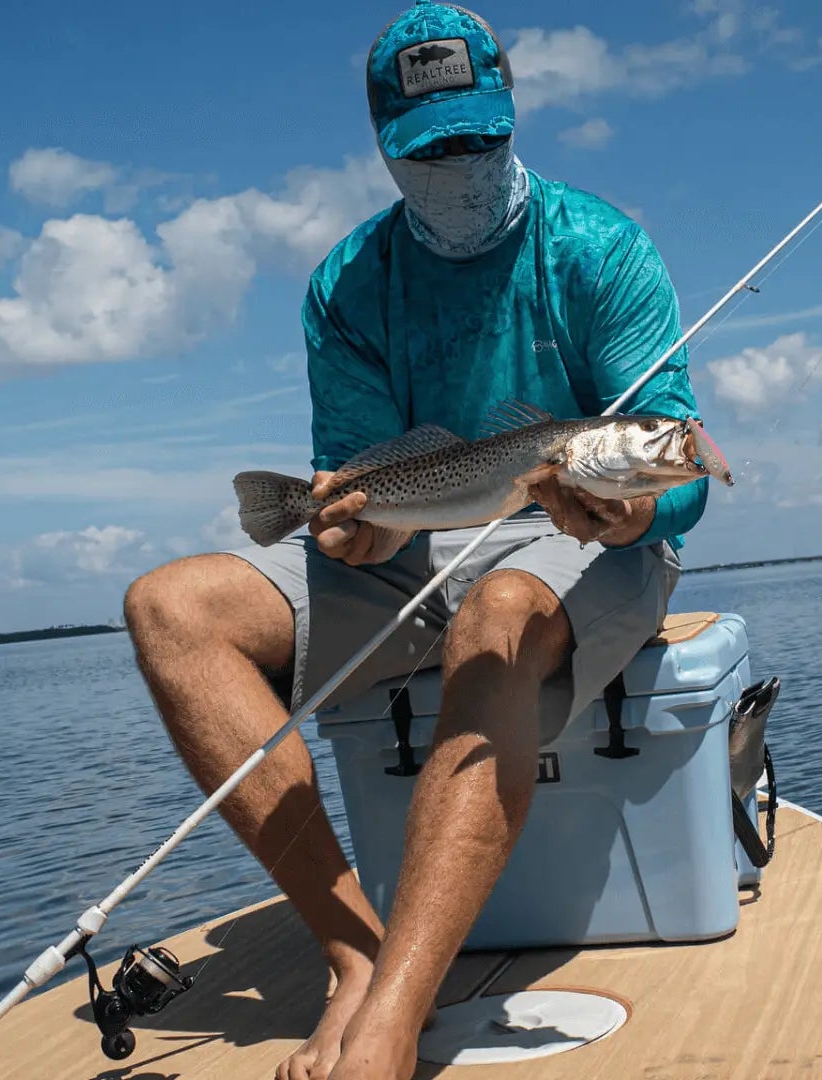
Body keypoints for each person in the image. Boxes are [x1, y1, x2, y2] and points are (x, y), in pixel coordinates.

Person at [121, 3, 711, 1078]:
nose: (460, 163)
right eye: (430, 146)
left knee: (498, 612)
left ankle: (397, 1011)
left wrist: (636, 505)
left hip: (584, 547)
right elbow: (358, 477)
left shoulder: (602, 248)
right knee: (171, 608)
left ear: (513, 114)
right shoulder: (347, 283)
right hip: (416, 537)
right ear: (385, 144)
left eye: (479, 135)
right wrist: (345, 531)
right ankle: (355, 952)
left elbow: (677, 467)